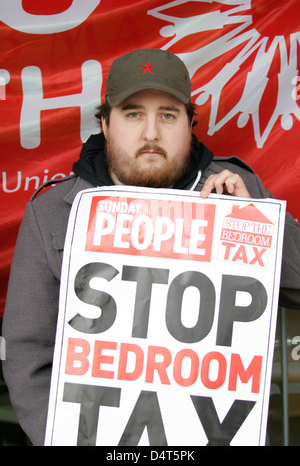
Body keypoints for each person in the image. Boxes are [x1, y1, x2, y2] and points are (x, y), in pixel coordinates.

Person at [2, 48, 300, 446]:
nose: (151, 134)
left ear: (190, 125)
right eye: (133, 113)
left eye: (168, 115)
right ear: (105, 124)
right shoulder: (53, 211)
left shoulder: (238, 192)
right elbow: (27, 353)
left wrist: (255, 223)